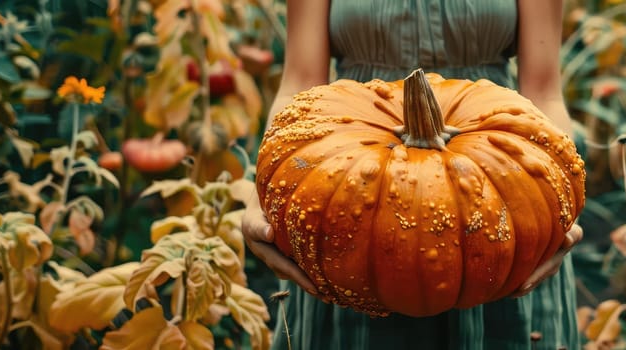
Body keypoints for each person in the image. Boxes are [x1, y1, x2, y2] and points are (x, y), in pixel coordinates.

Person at [242, 1, 584, 349]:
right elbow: (299, 83)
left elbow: (544, 93)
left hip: (501, 194)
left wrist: (560, 198)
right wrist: (265, 189)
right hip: (350, 201)